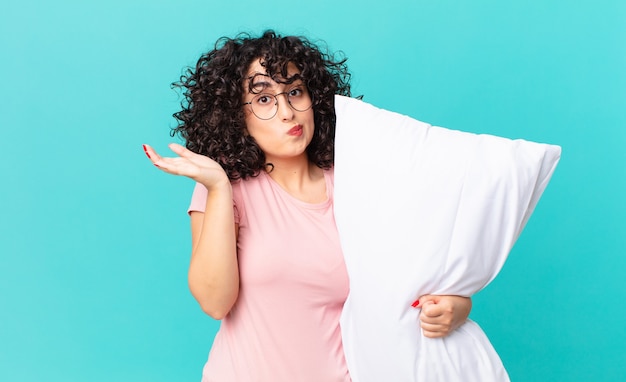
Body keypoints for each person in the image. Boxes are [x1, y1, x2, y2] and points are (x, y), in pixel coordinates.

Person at [143, 30, 472, 382]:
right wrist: (219, 188)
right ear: (235, 116)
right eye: (264, 100)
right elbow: (214, 302)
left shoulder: (358, 181)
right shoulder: (226, 186)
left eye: (295, 92)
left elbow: (418, 283)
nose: (288, 113)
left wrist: (455, 307)